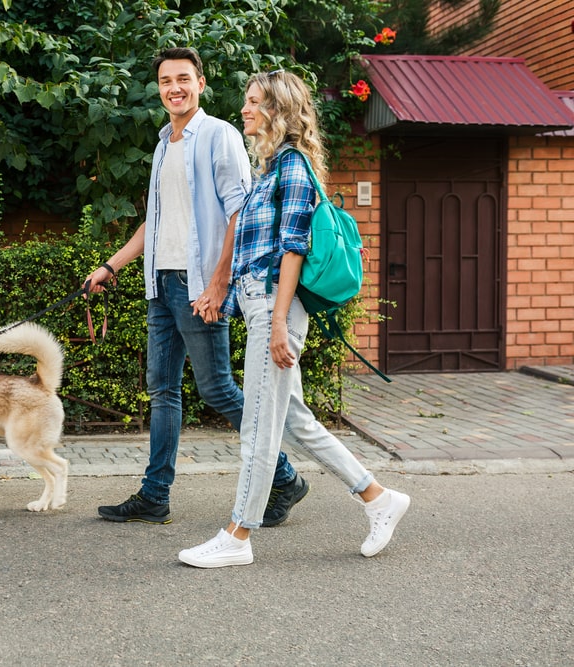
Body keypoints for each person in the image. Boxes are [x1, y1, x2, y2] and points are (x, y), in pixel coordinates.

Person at [177, 70, 410, 568]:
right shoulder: (270, 171)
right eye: (246, 100)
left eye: (255, 101)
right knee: (296, 422)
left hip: (274, 309)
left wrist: (278, 321)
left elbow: (293, 250)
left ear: (279, 112)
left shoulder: (294, 169)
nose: (245, 109)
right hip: (261, 306)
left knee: (258, 427)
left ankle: (238, 535)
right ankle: (378, 498)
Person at [84, 48, 309, 526]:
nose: (174, 88)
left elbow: (239, 212)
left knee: (218, 389)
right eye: (166, 81)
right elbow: (156, 220)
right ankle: (154, 495)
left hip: (198, 284)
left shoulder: (219, 136)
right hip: (161, 284)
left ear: (200, 83)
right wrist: (112, 264)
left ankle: (285, 477)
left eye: (183, 78)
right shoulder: (165, 142)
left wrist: (217, 284)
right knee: (162, 390)